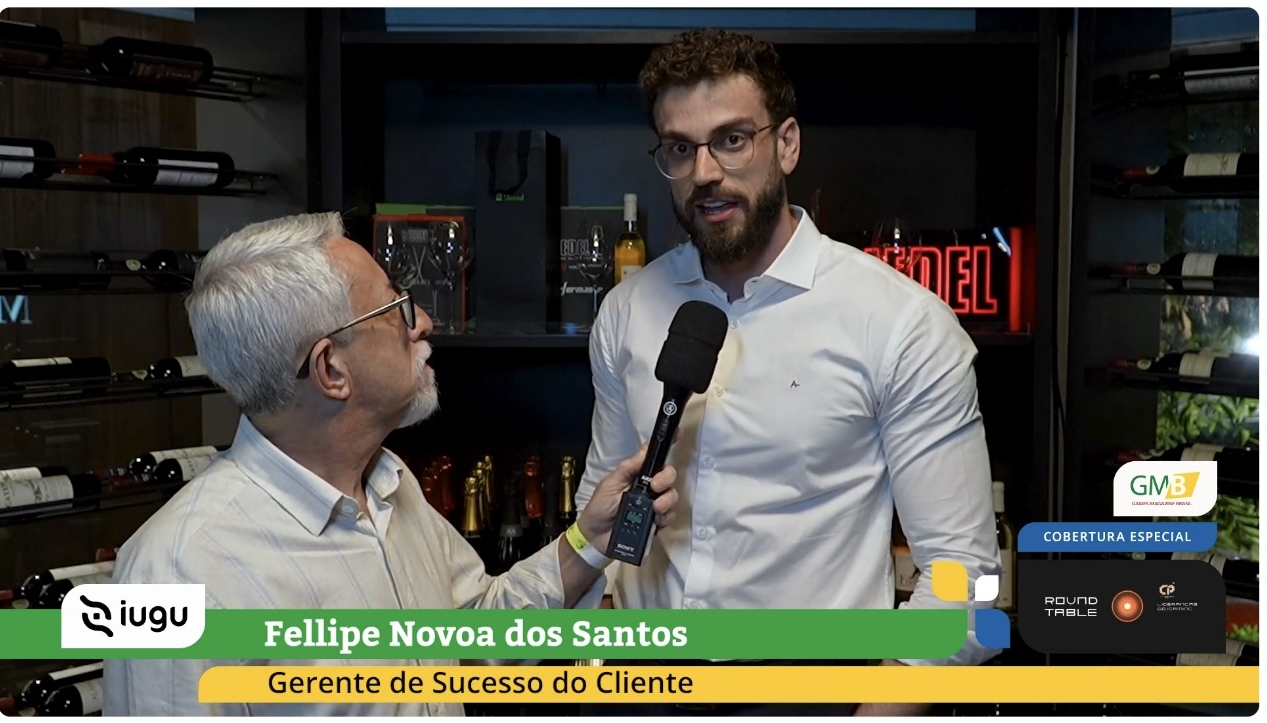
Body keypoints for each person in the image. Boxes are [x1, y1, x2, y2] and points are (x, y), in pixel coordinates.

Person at [575, 28, 1002, 716]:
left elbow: (965, 580)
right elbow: (601, 513)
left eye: (732, 139)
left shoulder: (900, 323)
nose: (705, 171)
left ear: (788, 144)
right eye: (681, 148)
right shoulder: (627, 311)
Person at [101, 212, 679, 716]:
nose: (422, 321)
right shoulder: (176, 572)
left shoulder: (389, 484)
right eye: (394, 307)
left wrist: (591, 540)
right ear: (331, 370)